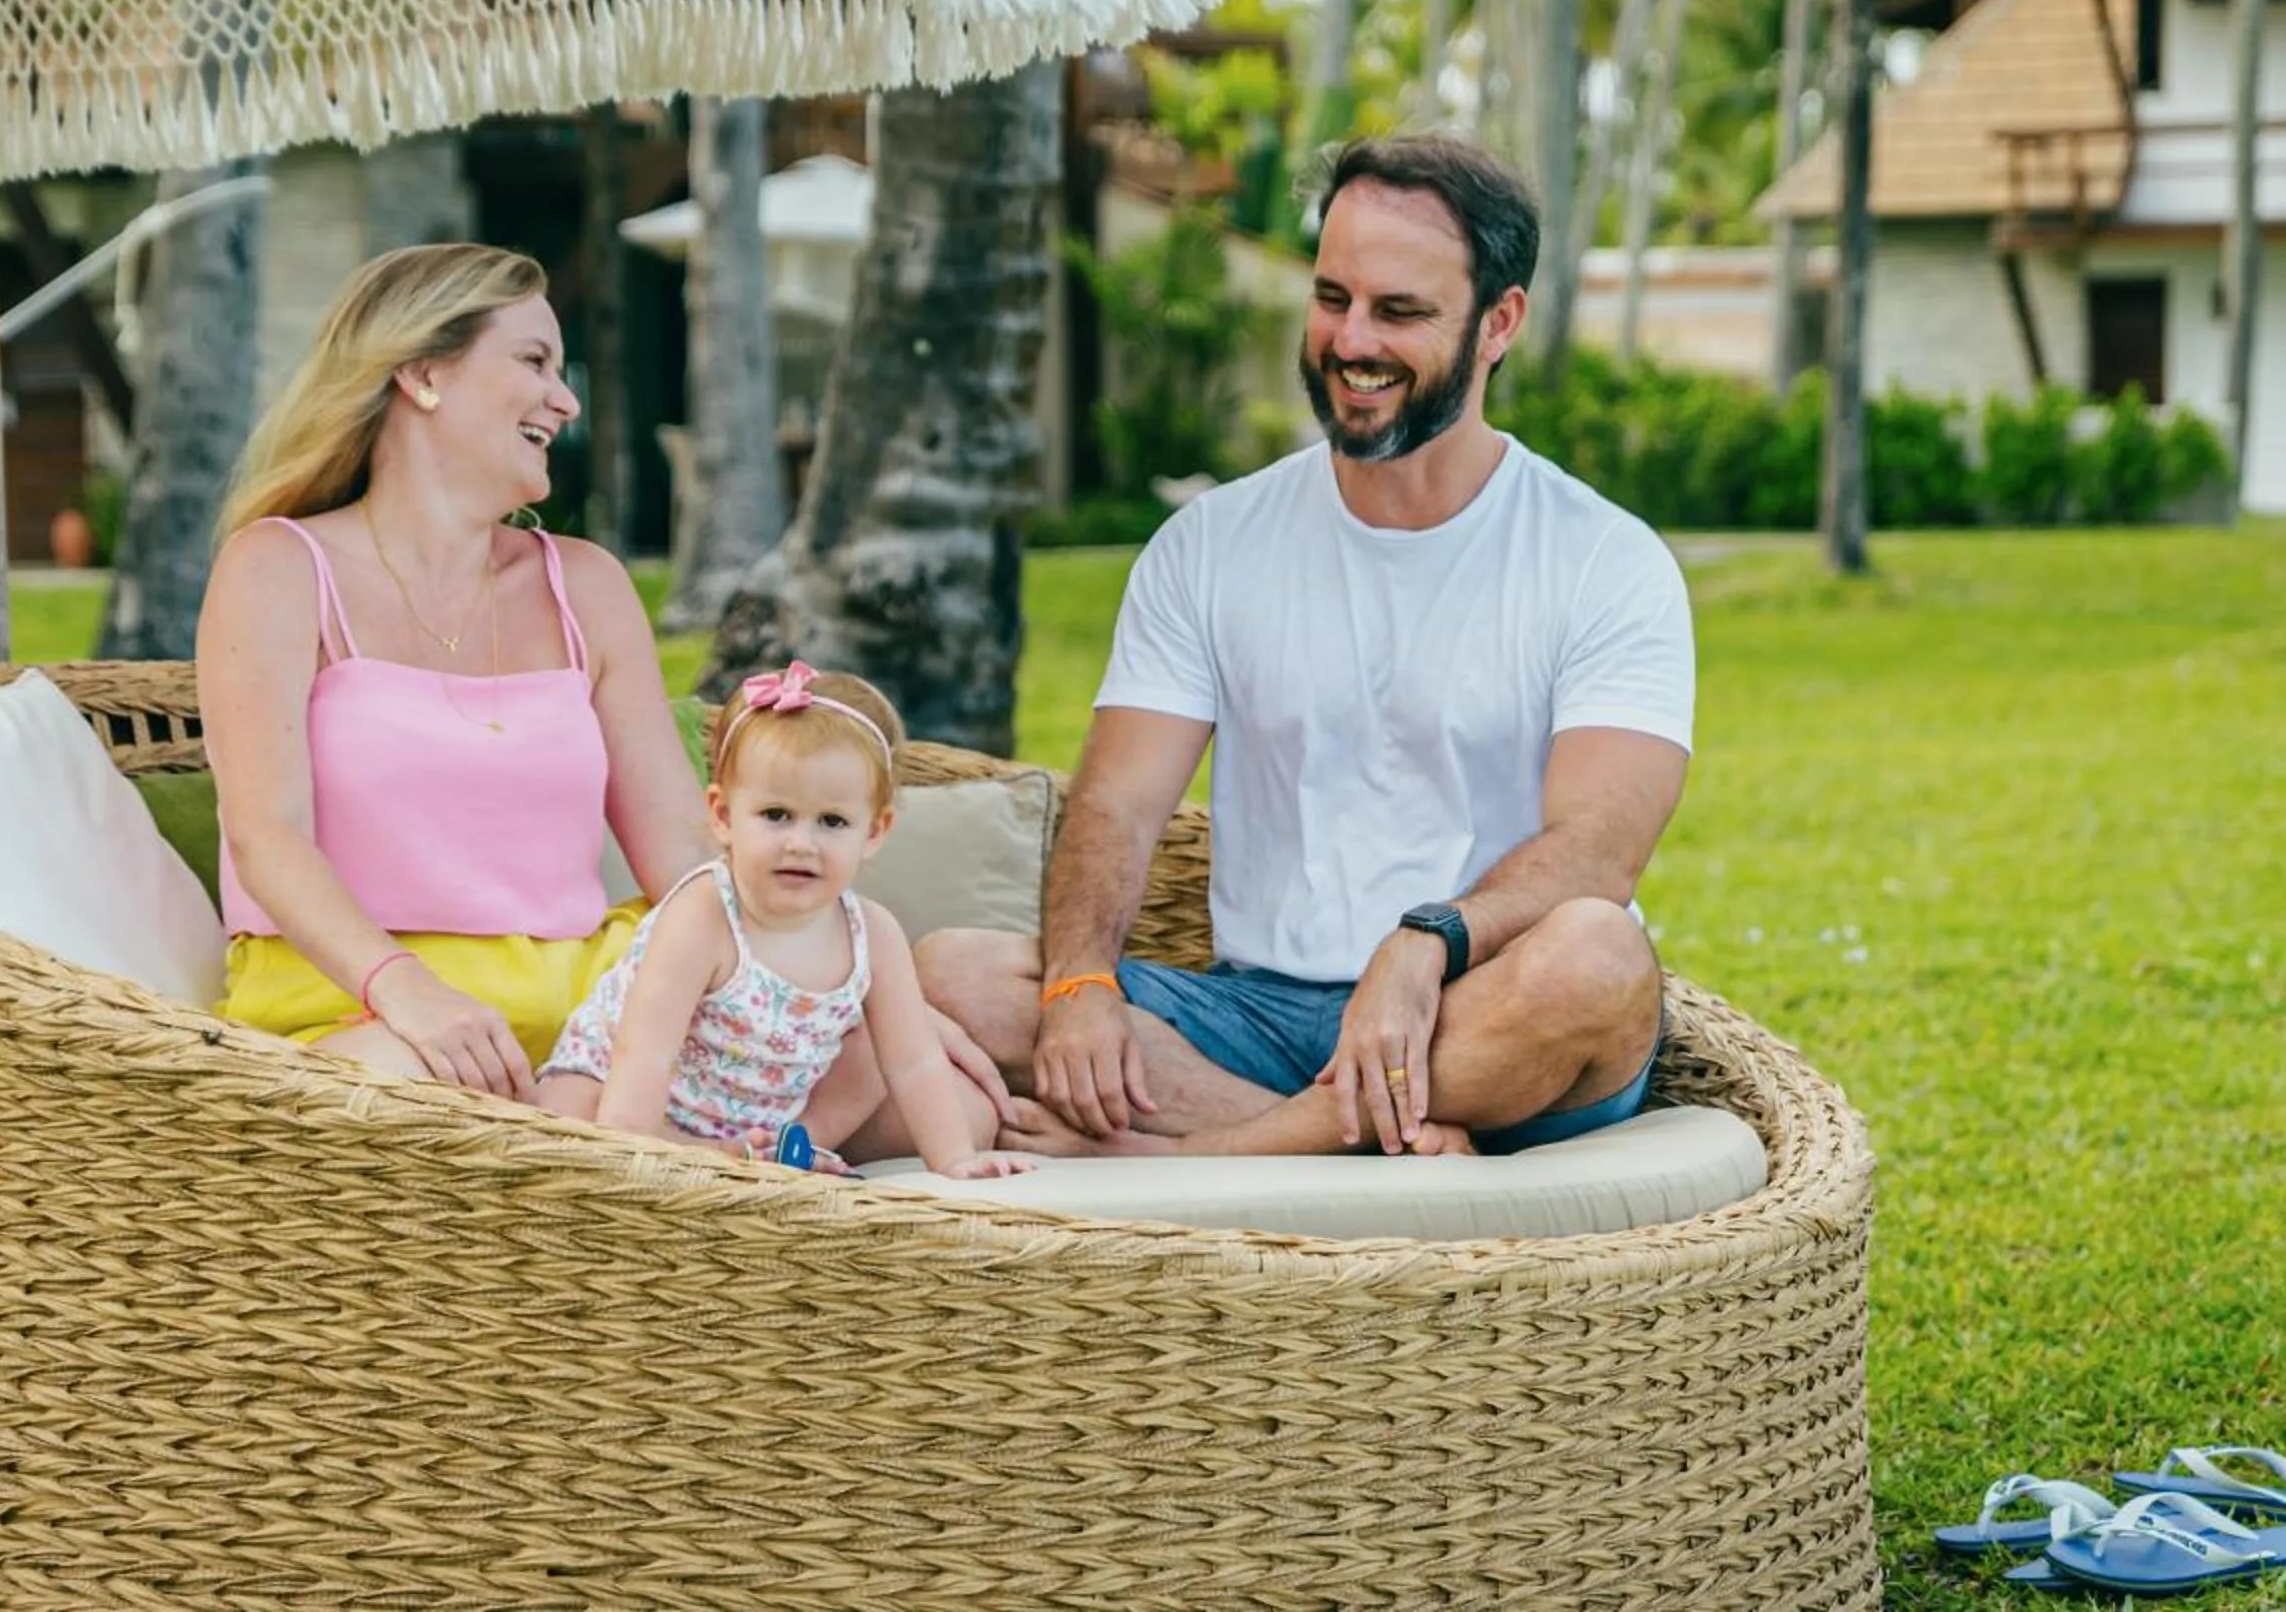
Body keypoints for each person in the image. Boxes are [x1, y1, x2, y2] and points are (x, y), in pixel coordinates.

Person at [919, 134, 1694, 1158]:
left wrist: (1428, 940)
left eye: (1399, 311)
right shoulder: (1210, 543)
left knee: (1597, 959)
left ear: (1498, 322)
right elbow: (1117, 804)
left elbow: (1599, 849)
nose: (1351, 339)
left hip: (1474, 1001)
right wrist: (1077, 984)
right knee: (955, 974)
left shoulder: (1606, 560)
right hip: (1254, 1019)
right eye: (1333, 298)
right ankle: (1352, 1142)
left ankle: (1209, 1155)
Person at [198, 243, 1003, 1146]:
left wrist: (863, 1000)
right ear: (422, 374)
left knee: (958, 1102)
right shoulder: (278, 568)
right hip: (369, 1005)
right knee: (403, 1106)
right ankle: (670, 1163)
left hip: (604, 1011)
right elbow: (266, 837)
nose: (566, 399)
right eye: (534, 362)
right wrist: (408, 993)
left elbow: (685, 851)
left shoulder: (584, 585)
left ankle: (673, 1160)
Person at [535, 661, 1034, 1180]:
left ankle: (783, 1151)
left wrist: (955, 1159)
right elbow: (644, 1054)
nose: (801, 843)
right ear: (723, 816)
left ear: (874, 832)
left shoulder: (873, 933)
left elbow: (915, 1063)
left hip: (768, 1113)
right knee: (570, 1113)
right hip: (630, 1098)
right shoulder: (704, 914)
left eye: (832, 822)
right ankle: (702, 1156)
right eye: (776, 815)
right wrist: (633, 1154)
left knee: (876, 1045)